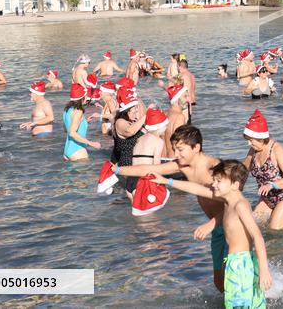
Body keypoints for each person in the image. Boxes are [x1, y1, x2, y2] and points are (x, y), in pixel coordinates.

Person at [115, 125, 227, 292]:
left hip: (231, 225)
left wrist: (210, 224)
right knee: (219, 282)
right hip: (217, 229)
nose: (175, 154)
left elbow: (234, 204)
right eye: (174, 149)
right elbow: (149, 169)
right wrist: (117, 169)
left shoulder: (215, 168)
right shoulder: (183, 166)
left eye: (180, 149)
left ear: (196, 147)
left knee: (235, 274)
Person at [150, 160, 273, 305]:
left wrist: (264, 271)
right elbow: (195, 188)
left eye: (219, 181)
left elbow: (257, 237)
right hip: (236, 262)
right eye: (214, 180)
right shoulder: (229, 202)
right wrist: (166, 181)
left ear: (235, 185)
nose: (213, 184)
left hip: (241, 264)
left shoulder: (240, 205)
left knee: (239, 304)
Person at [240, 110, 283, 230]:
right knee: (250, 228)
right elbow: (243, 170)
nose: (249, 144)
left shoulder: (276, 149)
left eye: (251, 140)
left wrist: (272, 185)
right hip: (266, 199)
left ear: (261, 138)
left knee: (274, 232)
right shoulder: (254, 149)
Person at [111, 86, 148, 197]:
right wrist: (146, 116)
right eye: (134, 110)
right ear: (127, 110)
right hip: (127, 167)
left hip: (136, 167)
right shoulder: (120, 122)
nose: (137, 112)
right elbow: (129, 131)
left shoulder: (133, 121)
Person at [63, 83, 100, 161]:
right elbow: (72, 133)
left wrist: (84, 122)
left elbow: (66, 128)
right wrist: (91, 143)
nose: (87, 98)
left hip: (67, 150)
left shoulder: (67, 109)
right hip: (77, 150)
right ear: (82, 97)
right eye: (86, 96)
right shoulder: (78, 111)